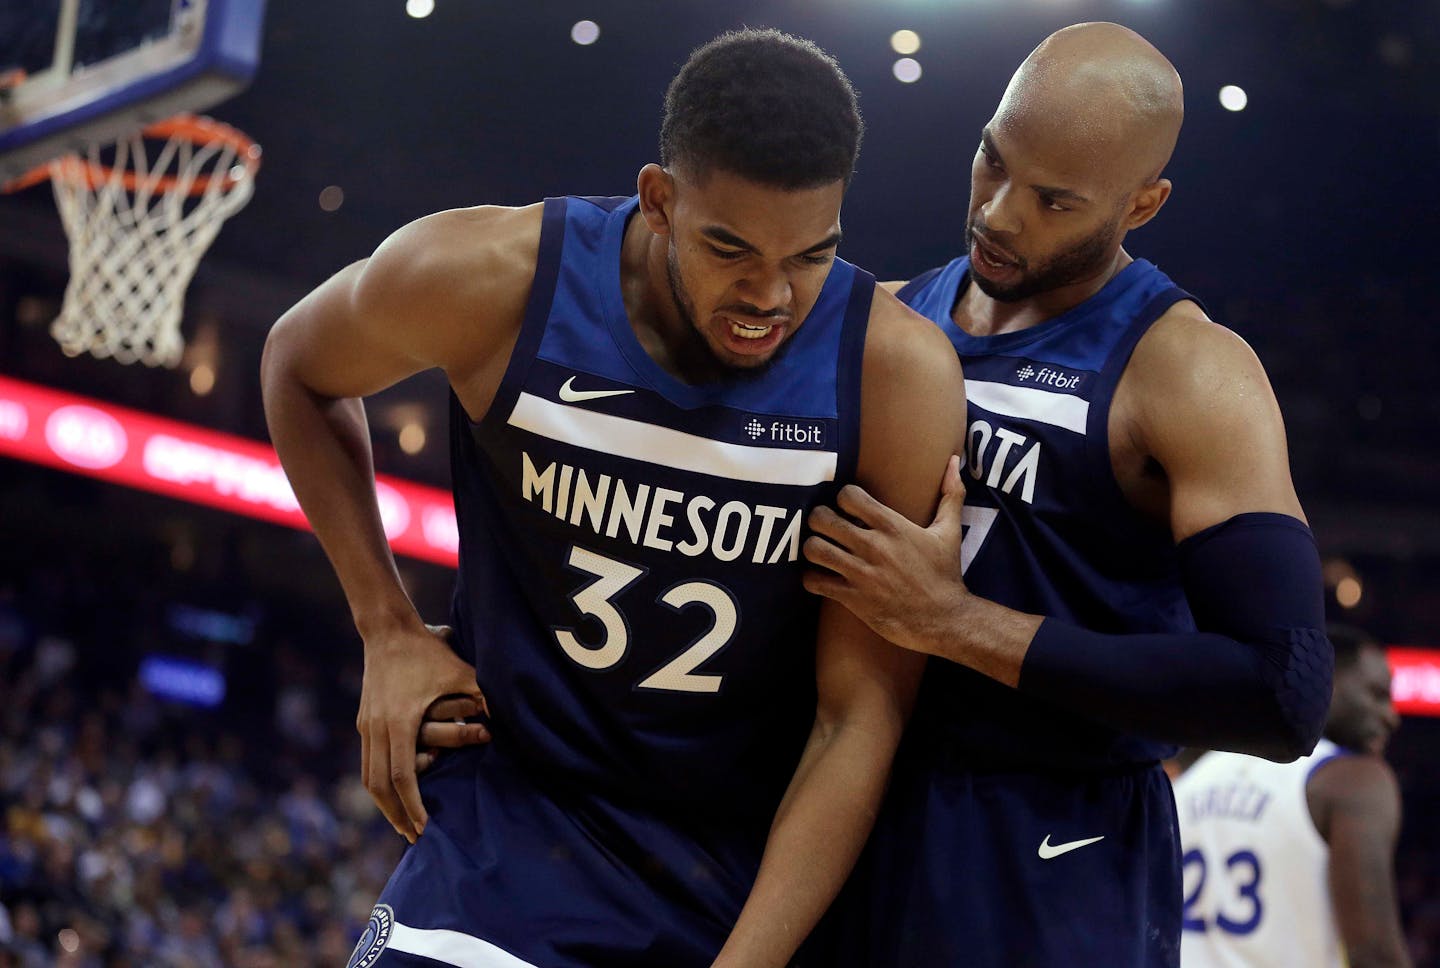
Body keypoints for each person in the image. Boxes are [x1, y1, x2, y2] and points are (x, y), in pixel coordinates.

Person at [260, 28, 962, 968]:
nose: (770, 295)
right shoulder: (494, 280)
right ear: (660, 199)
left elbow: (855, 719)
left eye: (809, 256)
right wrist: (385, 627)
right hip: (510, 823)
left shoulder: (894, 375)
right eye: (732, 249)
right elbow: (296, 366)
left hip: (739, 875)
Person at [800, 22, 1332, 967]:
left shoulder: (1188, 374)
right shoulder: (887, 316)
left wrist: (953, 623)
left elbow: (1280, 693)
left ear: (1144, 204)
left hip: (1053, 840)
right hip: (849, 796)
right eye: (991, 163)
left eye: (1053, 200)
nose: (1001, 215)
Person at [1173, 624, 1411, 968]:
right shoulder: (1353, 779)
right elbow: (1374, 956)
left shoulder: (1189, 779)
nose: (1391, 716)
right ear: (1326, 683)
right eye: (1376, 694)